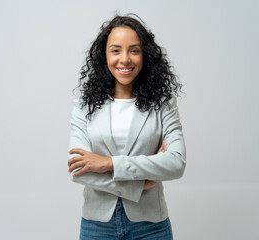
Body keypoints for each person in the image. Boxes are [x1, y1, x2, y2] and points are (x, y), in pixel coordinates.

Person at [67, 14, 186, 240]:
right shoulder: (84, 105)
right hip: (97, 226)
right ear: (104, 56)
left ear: (145, 55)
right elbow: (77, 170)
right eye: (115, 50)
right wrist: (139, 185)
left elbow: (176, 163)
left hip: (150, 225)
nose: (125, 59)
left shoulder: (163, 104)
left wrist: (108, 163)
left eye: (134, 50)